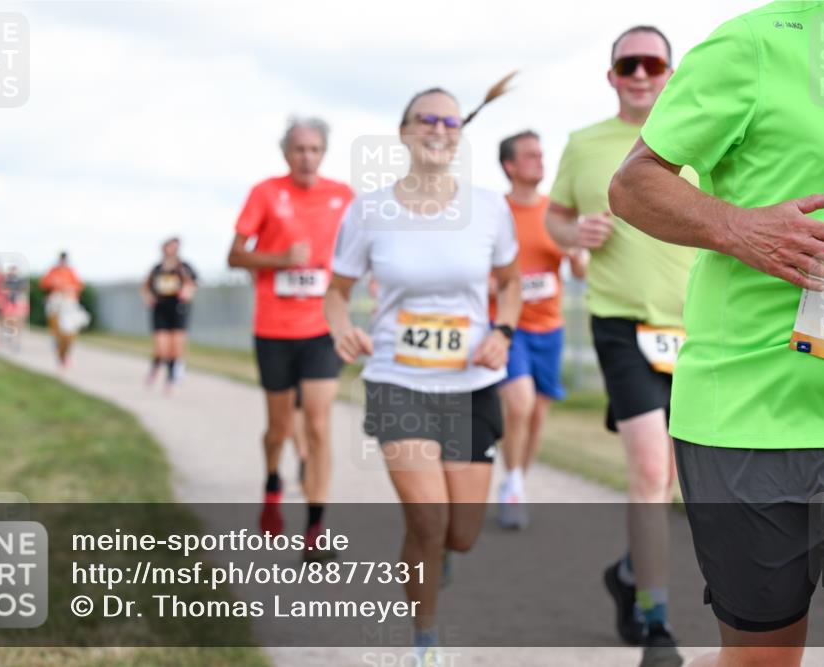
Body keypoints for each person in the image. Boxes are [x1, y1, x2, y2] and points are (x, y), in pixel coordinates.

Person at [608, 3, 824, 666]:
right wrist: (738, 228)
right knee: (762, 659)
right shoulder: (755, 44)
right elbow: (634, 184)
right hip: (751, 414)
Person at [324, 79, 520, 666]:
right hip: (397, 379)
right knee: (428, 518)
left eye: (450, 122)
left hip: (469, 386)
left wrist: (502, 331)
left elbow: (509, 283)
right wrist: (340, 326)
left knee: (459, 533)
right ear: (405, 132)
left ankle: (437, 557)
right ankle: (425, 640)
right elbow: (337, 292)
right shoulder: (369, 211)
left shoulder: (489, 208)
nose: (438, 130)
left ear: (461, 136)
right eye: (426, 120)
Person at [545, 25, 695, 667]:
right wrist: (571, 231)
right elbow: (553, 219)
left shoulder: (699, 132)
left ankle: (630, 571)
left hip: (696, 328)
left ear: (669, 71)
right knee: (649, 471)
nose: (640, 73)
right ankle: (655, 622)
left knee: (684, 477)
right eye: (627, 64)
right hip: (621, 323)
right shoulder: (583, 145)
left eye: (652, 63)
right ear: (611, 76)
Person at [226, 117, 353, 559]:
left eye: (315, 149)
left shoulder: (342, 196)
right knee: (279, 428)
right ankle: (273, 484)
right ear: (286, 153)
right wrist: (279, 258)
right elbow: (234, 254)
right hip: (274, 329)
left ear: (324, 153)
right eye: (299, 149)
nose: (307, 157)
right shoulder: (265, 192)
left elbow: (365, 249)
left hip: (321, 327)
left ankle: (316, 532)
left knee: (318, 424)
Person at [492, 130, 588, 529]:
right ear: (510, 166)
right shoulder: (496, 212)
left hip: (550, 325)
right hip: (507, 323)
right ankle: (513, 484)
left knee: (536, 416)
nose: (540, 161)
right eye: (530, 156)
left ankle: (516, 481)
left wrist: (574, 253)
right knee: (519, 402)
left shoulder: (556, 212)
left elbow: (581, 269)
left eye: (541, 154)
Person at [141, 237, 198, 393]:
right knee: (161, 347)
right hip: (161, 308)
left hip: (178, 309)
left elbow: (193, 285)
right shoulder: (157, 269)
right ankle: (156, 365)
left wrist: (187, 292)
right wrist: (148, 298)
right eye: (169, 247)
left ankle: (171, 378)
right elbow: (145, 287)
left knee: (176, 347)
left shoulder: (184, 268)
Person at [39, 251, 86, 368]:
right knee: (56, 327)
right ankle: (57, 346)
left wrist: (70, 289)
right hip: (56, 301)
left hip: (69, 302)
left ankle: (67, 353)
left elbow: (79, 285)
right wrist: (54, 285)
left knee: (72, 327)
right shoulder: (53, 271)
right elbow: (43, 284)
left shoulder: (71, 272)